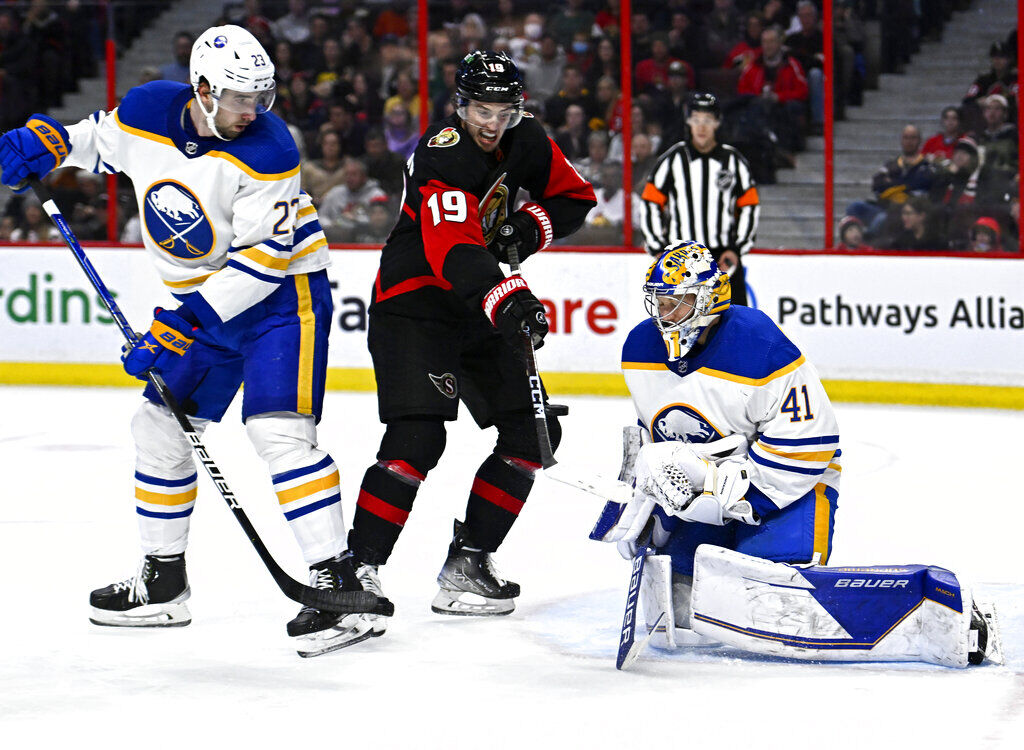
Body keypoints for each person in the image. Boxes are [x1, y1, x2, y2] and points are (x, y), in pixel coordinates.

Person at [0, 24, 388, 658]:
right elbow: (100, 142)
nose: (252, 112)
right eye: (239, 99)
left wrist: (179, 324)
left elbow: (264, 260)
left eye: (260, 98)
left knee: (279, 433)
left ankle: (337, 580)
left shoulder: (269, 149)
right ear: (202, 89)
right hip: (204, 305)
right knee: (158, 429)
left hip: (281, 302)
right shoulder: (151, 108)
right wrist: (47, 143)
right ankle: (163, 585)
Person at [590, 241, 996, 668]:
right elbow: (656, 436)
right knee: (685, 593)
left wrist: (731, 496)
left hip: (790, 484)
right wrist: (655, 504)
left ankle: (938, 612)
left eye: (678, 303)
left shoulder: (759, 345)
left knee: (772, 594)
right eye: (659, 302)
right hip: (714, 488)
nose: (664, 316)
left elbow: (812, 441)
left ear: (710, 298)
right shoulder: (639, 348)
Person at [344, 50, 595, 641]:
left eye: (504, 110)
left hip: (476, 303)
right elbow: (454, 250)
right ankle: (357, 571)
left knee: (533, 434)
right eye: (481, 109)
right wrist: (506, 296)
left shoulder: (526, 138)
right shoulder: (443, 151)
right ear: (460, 105)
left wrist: (526, 227)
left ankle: (468, 563)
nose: (492, 122)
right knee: (418, 436)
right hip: (414, 304)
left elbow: (575, 198)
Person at [638, 92, 759, 306]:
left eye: (707, 120)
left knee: (734, 324)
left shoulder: (733, 161)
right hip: (680, 258)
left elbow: (749, 206)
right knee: (679, 324)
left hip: (722, 256)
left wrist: (737, 248)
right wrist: (658, 247)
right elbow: (650, 202)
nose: (701, 127)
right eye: (696, 120)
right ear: (688, 121)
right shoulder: (672, 160)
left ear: (717, 123)